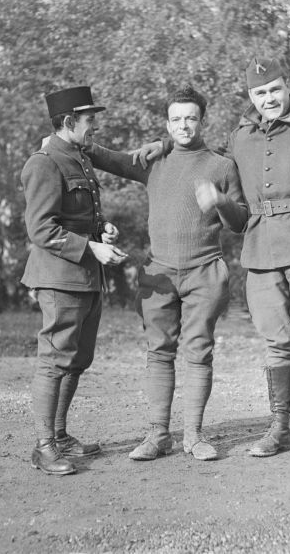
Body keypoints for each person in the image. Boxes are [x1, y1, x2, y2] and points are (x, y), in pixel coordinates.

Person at [138, 58, 290, 462]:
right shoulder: (242, 137)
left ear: (287, 86)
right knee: (276, 345)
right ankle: (279, 429)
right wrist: (165, 143)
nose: (269, 98)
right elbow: (203, 156)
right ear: (251, 97)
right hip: (260, 252)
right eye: (260, 93)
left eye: (274, 89)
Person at [87, 85, 248, 461]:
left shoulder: (221, 166)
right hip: (157, 273)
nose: (184, 125)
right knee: (158, 353)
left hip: (204, 273)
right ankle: (158, 434)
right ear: (167, 122)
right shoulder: (154, 161)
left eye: (191, 117)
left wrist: (221, 200)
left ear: (202, 120)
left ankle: (193, 436)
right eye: (176, 119)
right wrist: (67, 141)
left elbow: (240, 221)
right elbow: (108, 158)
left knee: (198, 353)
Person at [21, 86, 128, 475]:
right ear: (69, 123)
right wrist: (91, 249)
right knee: (55, 360)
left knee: (78, 358)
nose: (94, 127)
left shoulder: (78, 157)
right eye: (89, 121)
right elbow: (41, 229)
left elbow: (78, 217)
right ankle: (44, 445)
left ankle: (61, 436)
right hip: (60, 277)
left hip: (85, 275)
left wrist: (104, 234)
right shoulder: (44, 162)